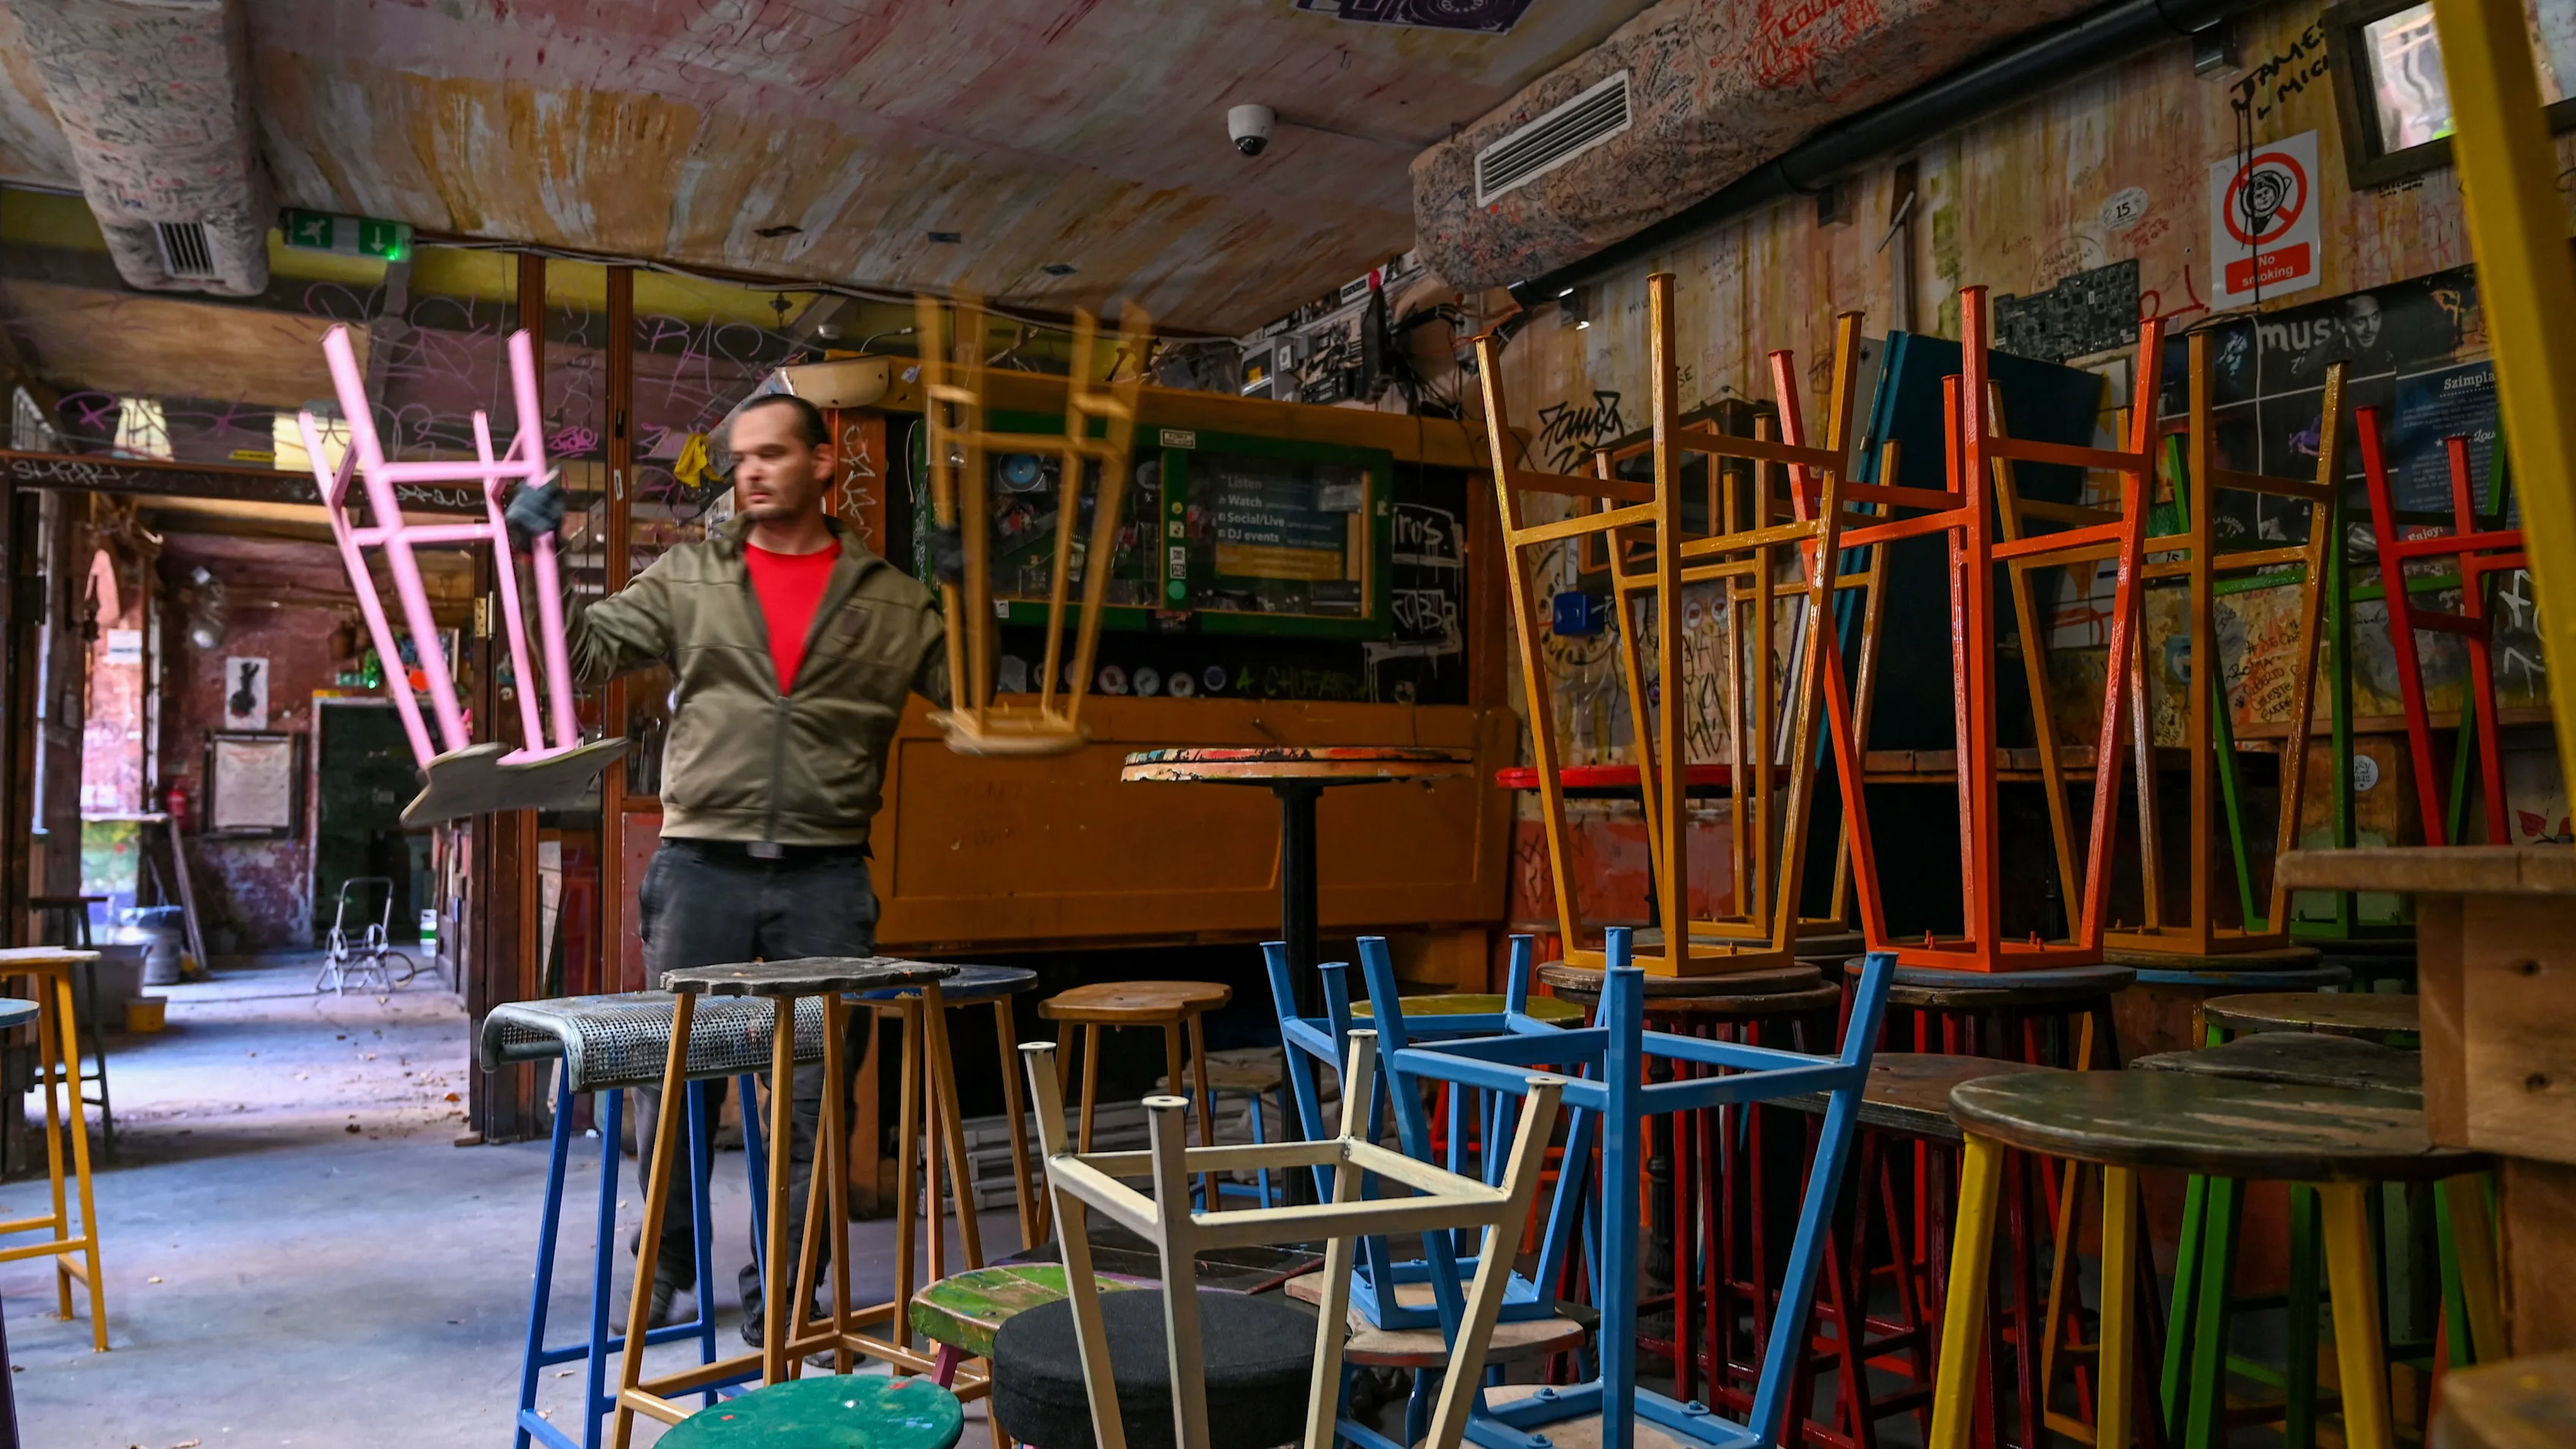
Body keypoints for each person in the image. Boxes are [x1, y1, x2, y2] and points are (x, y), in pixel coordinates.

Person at [509, 391, 948, 1342]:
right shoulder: (689, 577)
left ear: (824, 466)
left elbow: (979, 704)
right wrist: (534, 557)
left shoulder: (893, 601)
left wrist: (969, 594)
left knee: (812, 1100)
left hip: (826, 876)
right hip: (700, 865)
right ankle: (666, 1262)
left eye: (772, 454)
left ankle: (787, 1289)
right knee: (674, 1087)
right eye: (740, 457)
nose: (751, 471)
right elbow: (576, 656)